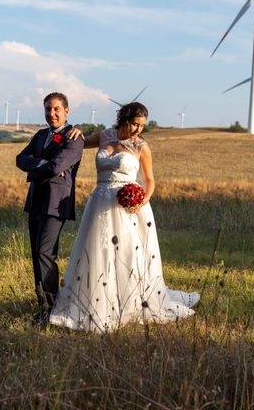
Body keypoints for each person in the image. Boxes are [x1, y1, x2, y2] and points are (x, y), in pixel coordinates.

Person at [49, 102, 199, 332]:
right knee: (97, 252)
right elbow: (76, 144)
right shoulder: (104, 136)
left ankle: (128, 301)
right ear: (124, 120)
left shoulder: (141, 146)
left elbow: (149, 181)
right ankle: (93, 300)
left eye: (142, 126)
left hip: (127, 207)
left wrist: (141, 200)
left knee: (127, 255)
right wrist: (76, 129)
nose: (138, 129)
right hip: (99, 203)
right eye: (135, 124)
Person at [16, 92, 84, 324]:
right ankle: (43, 307)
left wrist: (39, 166)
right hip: (35, 200)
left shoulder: (74, 138)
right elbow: (20, 159)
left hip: (56, 203)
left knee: (46, 253)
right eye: (48, 109)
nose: (51, 113)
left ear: (66, 111)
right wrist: (41, 163)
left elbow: (58, 166)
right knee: (36, 254)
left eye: (56, 109)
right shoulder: (40, 135)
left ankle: (52, 309)